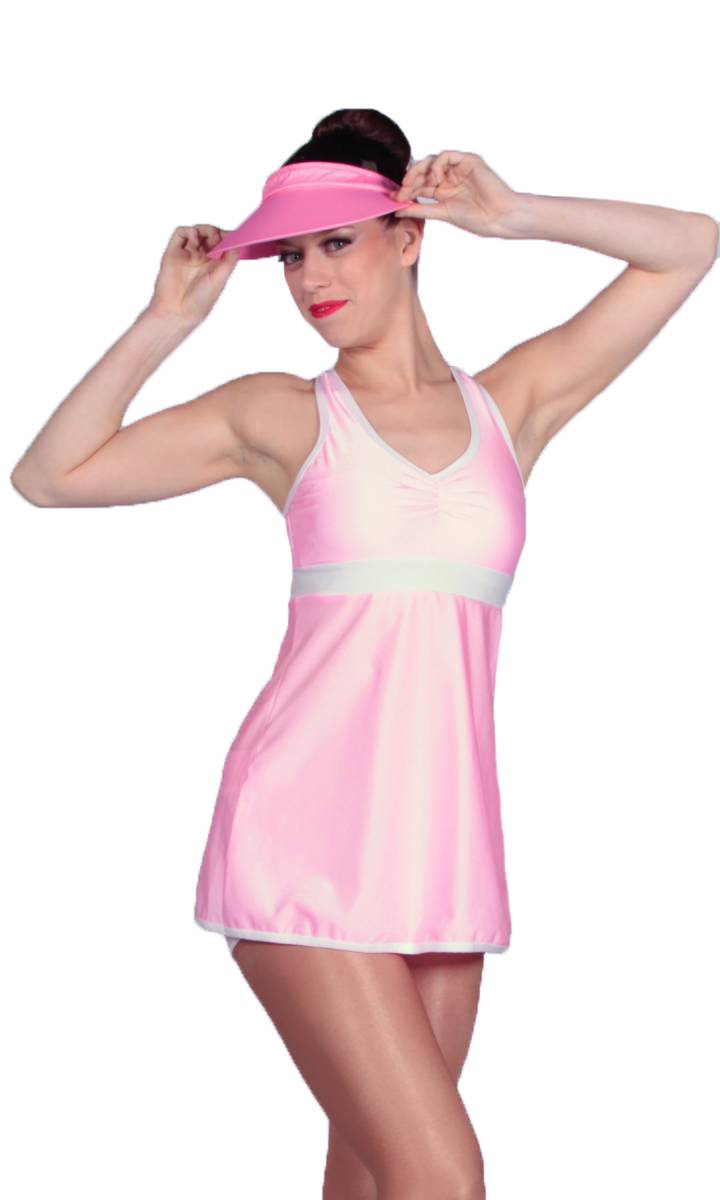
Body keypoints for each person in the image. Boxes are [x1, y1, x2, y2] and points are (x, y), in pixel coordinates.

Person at [10, 108, 718, 1200]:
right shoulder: (281, 415)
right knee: (442, 1177)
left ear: (409, 235)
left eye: (336, 242)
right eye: (291, 256)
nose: (310, 278)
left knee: (380, 1182)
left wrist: (513, 214)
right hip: (302, 837)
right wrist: (165, 321)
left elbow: (691, 245)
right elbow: (49, 477)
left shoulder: (512, 407)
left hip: (442, 848)